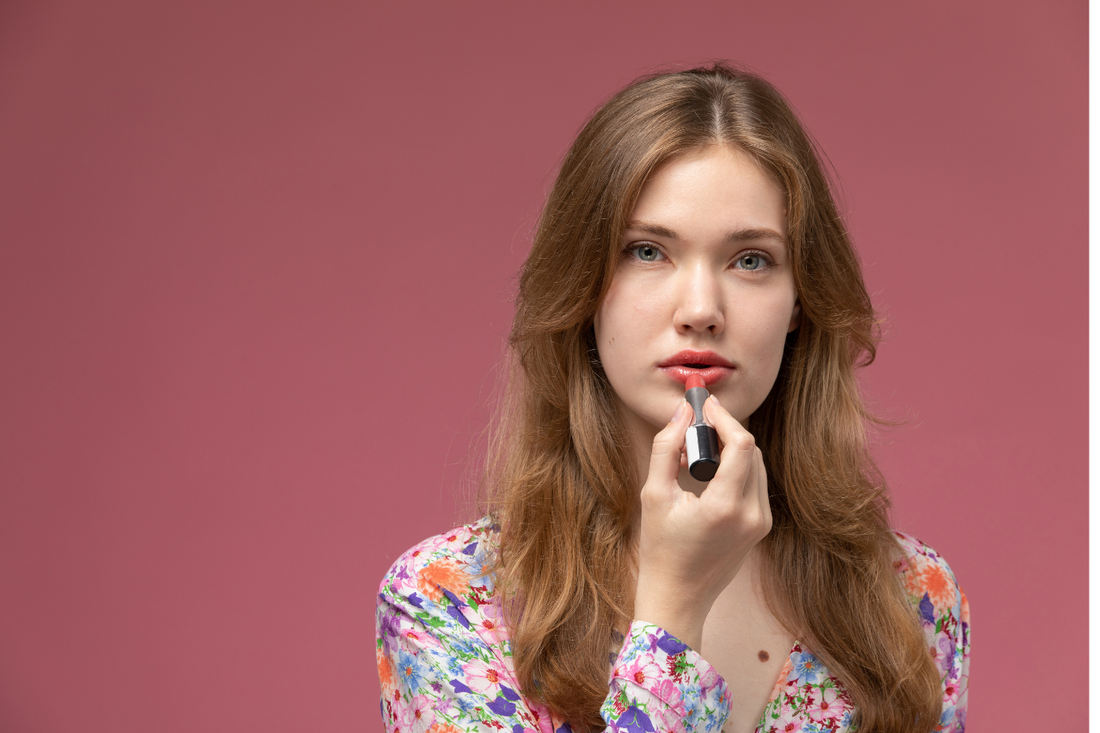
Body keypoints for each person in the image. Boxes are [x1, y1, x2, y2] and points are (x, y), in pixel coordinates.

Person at [375, 64, 969, 733]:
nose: (700, 309)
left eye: (750, 260)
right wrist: (671, 617)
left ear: (800, 301)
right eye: (647, 251)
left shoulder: (911, 598)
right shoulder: (450, 600)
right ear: (584, 287)